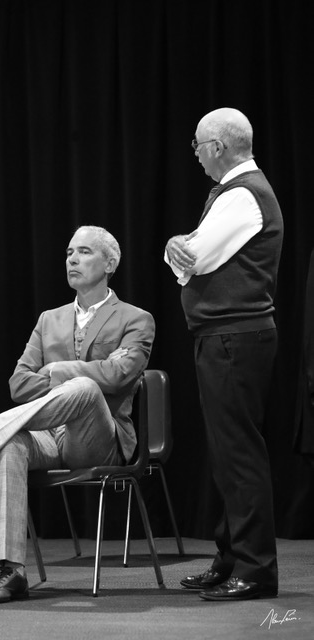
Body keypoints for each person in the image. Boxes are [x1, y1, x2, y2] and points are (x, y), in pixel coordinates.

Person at [0, 225, 155, 604]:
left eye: (84, 252)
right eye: (68, 253)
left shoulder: (136, 318)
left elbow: (119, 375)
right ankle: (12, 571)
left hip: (100, 439)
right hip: (49, 436)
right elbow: (18, 385)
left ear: (110, 263)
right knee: (9, 441)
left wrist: (58, 370)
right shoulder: (49, 319)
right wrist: (89, 370)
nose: (72, 259)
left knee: (85, 388)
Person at [165, 107, 283, 601]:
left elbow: (193, 258)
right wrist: (178, 246)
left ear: (217, 146)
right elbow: (186, 251)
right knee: (225, 455)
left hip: (235, 337)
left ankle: (255, 569)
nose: (195, 154)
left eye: (197, 145)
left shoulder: (242, 194)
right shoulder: (234, 192)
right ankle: (232, 558)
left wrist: (178, 249)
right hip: (225, 337)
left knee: (239, 454)